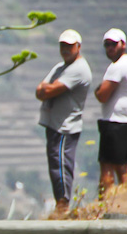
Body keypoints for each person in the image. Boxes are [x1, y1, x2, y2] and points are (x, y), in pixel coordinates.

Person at [35, 29, 92, 214]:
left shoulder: (78, 69)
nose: (65, 49)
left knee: (61, 165)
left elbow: (48, 90)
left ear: (78, 47)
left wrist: (47, 88)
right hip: (55, 125)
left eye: (69, 46)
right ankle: (61, 203)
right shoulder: (60, 67)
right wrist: (46, 88)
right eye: (63, 45)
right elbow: (39, 91)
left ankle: (63, 205)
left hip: (65, 127)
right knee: (55, 164)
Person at [94, 28, 127, 193]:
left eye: (114, 44)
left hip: (115, 122)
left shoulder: (118, 66)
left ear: (123, 44)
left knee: (107, 166)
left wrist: (98, 91)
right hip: (125, 121)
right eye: (107, 45)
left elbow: (102, 95)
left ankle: (106, 201)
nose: (110, 48)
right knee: (122, 166)